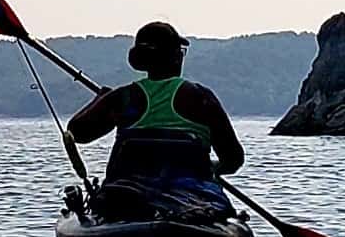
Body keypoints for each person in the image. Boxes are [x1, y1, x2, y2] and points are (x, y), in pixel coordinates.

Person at [67, 22, 244, 222]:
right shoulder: (200, 97)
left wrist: (100, 100)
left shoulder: (123, 97)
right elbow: (234, 159)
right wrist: (212, 168)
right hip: (191, 196)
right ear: (176, 56)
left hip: (126, 197)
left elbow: (76, 132)